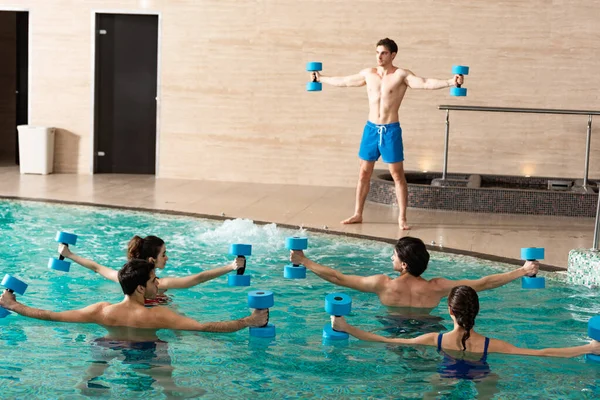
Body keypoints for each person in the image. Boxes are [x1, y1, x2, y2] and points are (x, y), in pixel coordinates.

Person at [312, 38, 463, 230]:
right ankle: (358, 213)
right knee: (363, 173)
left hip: (390, 130)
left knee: (397, 175)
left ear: (393, 55)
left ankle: (402, 218)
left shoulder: (401, 75)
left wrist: (451, 82)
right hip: (371, 129)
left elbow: (424, 83)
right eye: (377, 52)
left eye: (383, 53)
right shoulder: (369, 74)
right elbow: (345, 81)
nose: (379, 56)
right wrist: (321, 78)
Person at [331, 285, 600, 381]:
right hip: (483, 373)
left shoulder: (434, 340)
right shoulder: (491, 344)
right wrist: (589, 348)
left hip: (445, 374)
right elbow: (542, 353)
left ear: (450, 312)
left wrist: (347, 328)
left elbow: (386, 339)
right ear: (476, 312)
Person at [0, 259, 268, 340]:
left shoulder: (101, 311)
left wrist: (13, 305)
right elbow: (205, 327)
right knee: (167, 384)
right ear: (141, 288)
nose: (157, 284)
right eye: (154, 281)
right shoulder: (158, 316)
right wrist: (250, 320)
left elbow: (52, 316)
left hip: (108, 344)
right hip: (147, 351)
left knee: (95, 368)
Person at [290, 236, 539, 314]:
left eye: (394, 256)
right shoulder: (438, 287)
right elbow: (484, 283)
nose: (391, 258)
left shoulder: (382, 284)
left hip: (393, 330)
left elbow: (338, 278)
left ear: (405, 264)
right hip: (428, 330)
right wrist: (523, 270)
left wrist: (303, 260)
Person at [59, 235, 244, 305]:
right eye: (164, 254)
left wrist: (68, 254)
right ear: (151, 260)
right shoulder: (160, 284)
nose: (167, 257)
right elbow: (198, 278)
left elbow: (97, 267)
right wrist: (231, 266)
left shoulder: (125, 277)